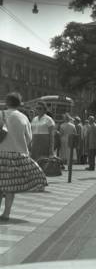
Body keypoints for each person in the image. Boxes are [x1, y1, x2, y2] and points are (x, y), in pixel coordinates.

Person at [0, 92, 47, 221]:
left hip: (0, 154)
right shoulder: (24, 117)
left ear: (7, 102)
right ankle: (6, 213)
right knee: (10, 186)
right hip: (16, 156)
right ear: (19, 104)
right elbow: (29, 138)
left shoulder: (0, 114)